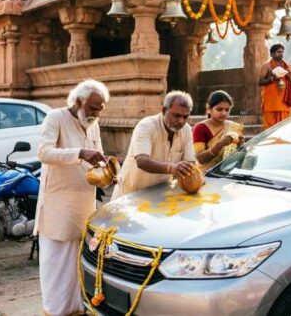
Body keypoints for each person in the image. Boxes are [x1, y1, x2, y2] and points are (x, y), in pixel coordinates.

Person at [34, 79, 109, 316]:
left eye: (100, 108)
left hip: (84, 201)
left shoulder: (93, 123)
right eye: (93, 107)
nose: (96, 113)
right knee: (57, 261)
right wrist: (80, 153)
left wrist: (109, 171)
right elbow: (44, 152)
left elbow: (99, 155)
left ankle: (78, 308)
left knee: (80, 257)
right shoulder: (55, 118)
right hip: (59, 202)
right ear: (78, 101)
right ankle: (56, 311)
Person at [111, 91, 196, 199]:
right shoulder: (146, 126)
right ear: (164, 110)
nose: (181, 121)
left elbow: (190, 163)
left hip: (161, 194)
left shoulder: (186, 130)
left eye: (185, 117)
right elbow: (142, 161)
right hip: (130, 194)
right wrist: (172, 168)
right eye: (176, 115)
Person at [193, 91, 244, 172]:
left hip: (229, 173)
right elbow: (200, 159)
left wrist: (241, 145)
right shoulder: (200, 128)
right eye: (219, 109)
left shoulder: (235, 127)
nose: (224, 113)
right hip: (207, 174)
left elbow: (238, 156)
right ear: (209, 109)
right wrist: (220, 144)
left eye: (227, 110)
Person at [259, 43, 291, 129]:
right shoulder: (267, 65)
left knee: (283, 129)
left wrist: (288, 76)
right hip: (271, 104)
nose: (281, 54)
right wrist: (272, 79)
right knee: (270, 130)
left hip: (284, 103)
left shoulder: (286, 66)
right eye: (278, 52)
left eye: (282, 52)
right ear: (272, 54)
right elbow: (260, 82)